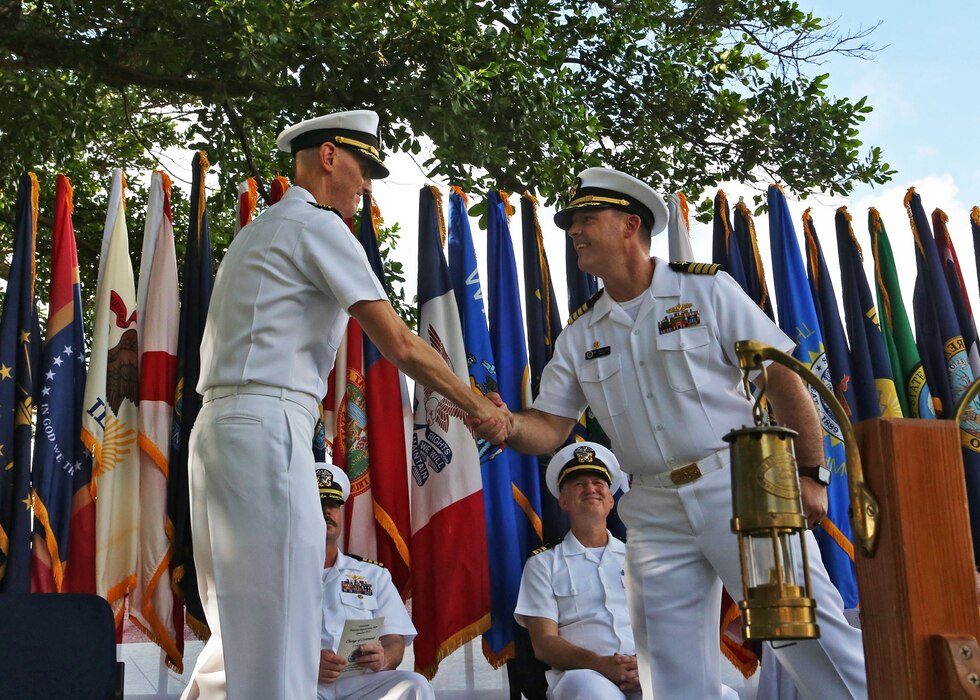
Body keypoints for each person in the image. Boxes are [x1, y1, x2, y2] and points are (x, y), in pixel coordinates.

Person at [476, 167, 868, 700]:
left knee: (804, 636)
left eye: (588, 220)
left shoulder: (704, 288)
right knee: (668, 669)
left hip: (741, 486)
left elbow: (782, 377)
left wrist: (810, 473)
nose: (575, 233)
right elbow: (549, 426)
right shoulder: (580, 333)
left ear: (630, 225)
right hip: (653, 505)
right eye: (571, 225)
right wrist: (507, 423)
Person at [182, 109, 507, 700]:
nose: (367, 186)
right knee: (282, 621)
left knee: (239, 629)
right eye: (362, 169)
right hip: (266, 425)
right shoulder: (318, 224)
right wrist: (476, 405)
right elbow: (401, 343)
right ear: (329, 157)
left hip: (220, 429)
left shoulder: (257, 232)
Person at [315, 464, 434, 700]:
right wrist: (305, 663)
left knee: (414, 684)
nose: (327, 512)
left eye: (333, 505)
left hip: (361, 683)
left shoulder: (372, 575)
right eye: (319, 505)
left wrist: (384, 658)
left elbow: (394, 640)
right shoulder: (281, 577)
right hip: (305, 681)